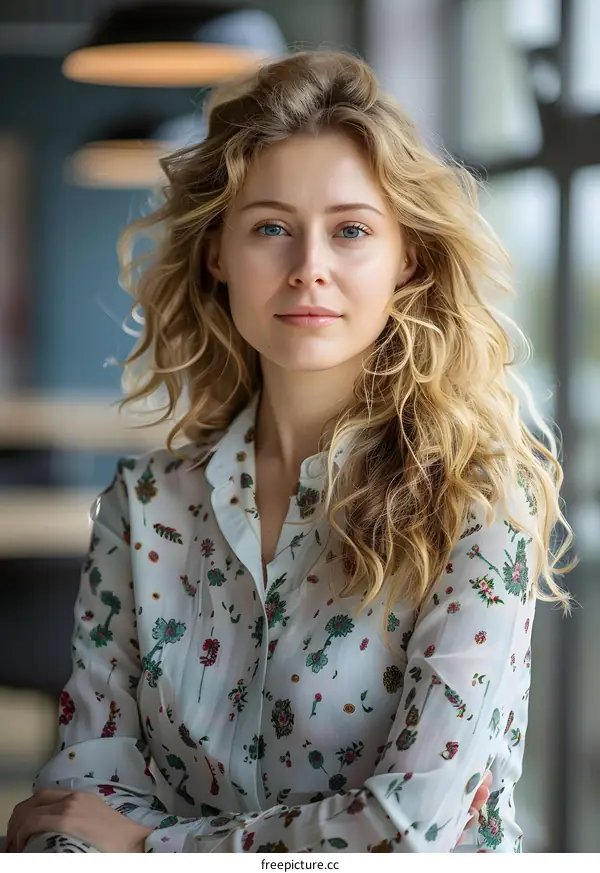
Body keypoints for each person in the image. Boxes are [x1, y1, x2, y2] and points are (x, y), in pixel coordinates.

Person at [6, 50, 575, 854]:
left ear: (405, 256)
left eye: (350, 231)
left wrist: (151, 848)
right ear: (216, 254)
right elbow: (81, 791)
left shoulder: (477, 502)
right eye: (271, 228)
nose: (310, 269)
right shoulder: (144, 506)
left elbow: (408, 830)